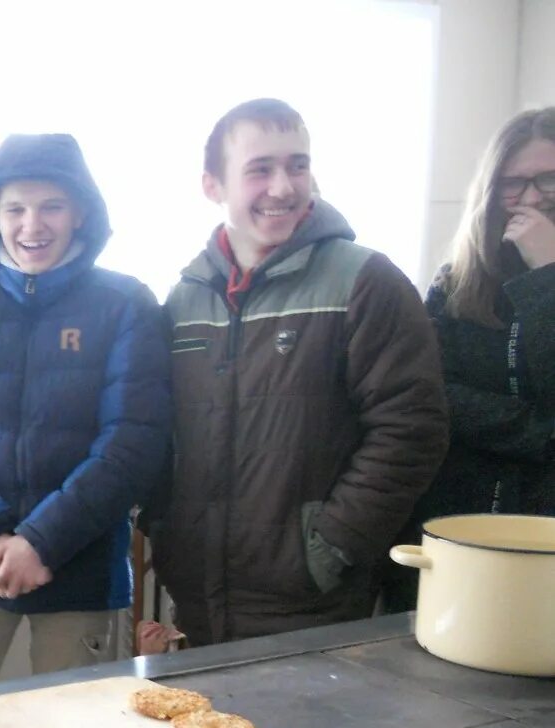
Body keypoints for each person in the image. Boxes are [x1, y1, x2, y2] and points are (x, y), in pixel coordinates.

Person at [147, 98, 448, 645]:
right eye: (260, 169)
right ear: (213, 185)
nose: (283, 186)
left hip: (314, 602)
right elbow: (161, 431)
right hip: (198, 596)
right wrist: (164, 528)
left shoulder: (365, 282)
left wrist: (329, 546)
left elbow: (411, 429)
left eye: (298, 165)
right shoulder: (186, 298)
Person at [0, 134, 171, 685]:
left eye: (51, 206)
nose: (33, 225)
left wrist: (41, 541)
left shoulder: (125, 305)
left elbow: (132, 443)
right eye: (15, 209)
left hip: (82, 571)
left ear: (79, 214)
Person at [384, 107, 555, 611]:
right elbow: (430, 391)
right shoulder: (454, 281)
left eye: (548, 179)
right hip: (455, 519)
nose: (530, 198)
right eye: (512, 183)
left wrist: (547, 273)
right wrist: (540, 432)